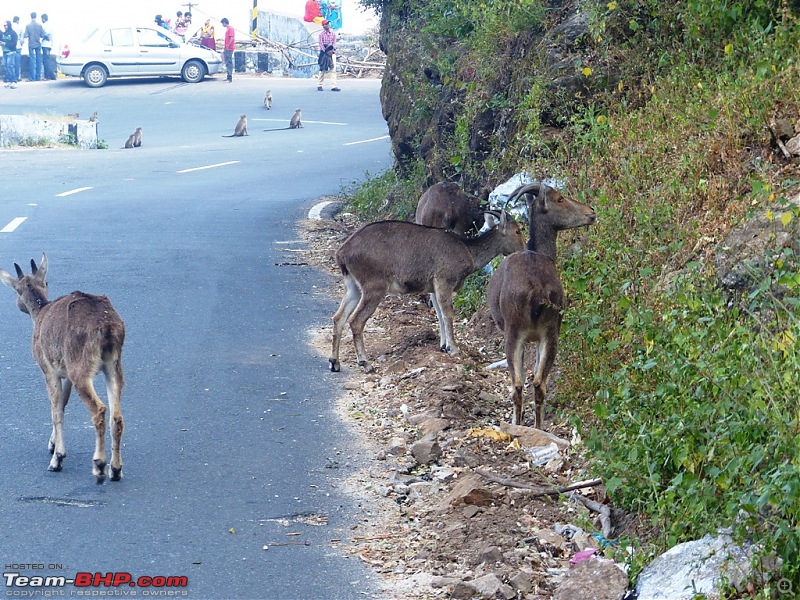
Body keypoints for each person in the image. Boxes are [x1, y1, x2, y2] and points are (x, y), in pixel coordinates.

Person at [316, 19, 340, 91]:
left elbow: (334, 43)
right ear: (323, 26)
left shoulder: (333, 34)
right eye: (326, 24)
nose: (328, 25)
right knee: (322, 69)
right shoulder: (321, 35)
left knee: (333, 69)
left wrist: (332, 50)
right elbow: (321, 44)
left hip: (332, 52)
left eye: (328, 24)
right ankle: (320, 85)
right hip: (324, 53)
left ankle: (334, 86)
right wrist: (326, 51)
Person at [23, 12, 45, 82]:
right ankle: (38, 77)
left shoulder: (28, 26)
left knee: (32, 60)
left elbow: (25, 35)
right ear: (36, 16)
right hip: (38, 44)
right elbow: (42, 35)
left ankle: (32, 77)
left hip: (31, 44)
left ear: (30, 17)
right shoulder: (39, 25)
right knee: (39, 60)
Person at [1, 20, 19, 89]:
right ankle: (9, 80)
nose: (5, 27)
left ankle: (14, 81)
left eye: (6, 25)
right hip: (5, 52)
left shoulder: (13, 33)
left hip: (11, 52)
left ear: (9, 25)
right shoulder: (4, 33)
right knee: (6, 67)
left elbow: (14, 44)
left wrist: (5, 44)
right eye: (4, 26)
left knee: (10, 66)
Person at [40, 13, 55, 80]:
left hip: (46, 44)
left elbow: (46, 34)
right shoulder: (50, 25)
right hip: (49, 45)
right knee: (47, 60)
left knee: (46, 61)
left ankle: (49, 76)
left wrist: (44, 37)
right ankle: (51, 75)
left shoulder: (45, 25)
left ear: (43, 18)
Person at [221, 18, 234, 82]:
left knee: (229, 62)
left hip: (229, 48)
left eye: (222, 23)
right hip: (226, 48)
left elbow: (232, 38)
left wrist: (228, 46)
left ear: (224, 22)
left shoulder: (230, 29)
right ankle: (228, 76)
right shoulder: (227, 29)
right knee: (227, 62)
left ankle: (230, 78)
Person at [12, 16, 23, 82]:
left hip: (11, 47)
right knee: (17, 62)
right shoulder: (20, 27)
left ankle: (12, 76)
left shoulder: (10, 28)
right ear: (17, 21)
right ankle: (18, 76)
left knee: (11, 63)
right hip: (18, 46)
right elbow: (22, 39)